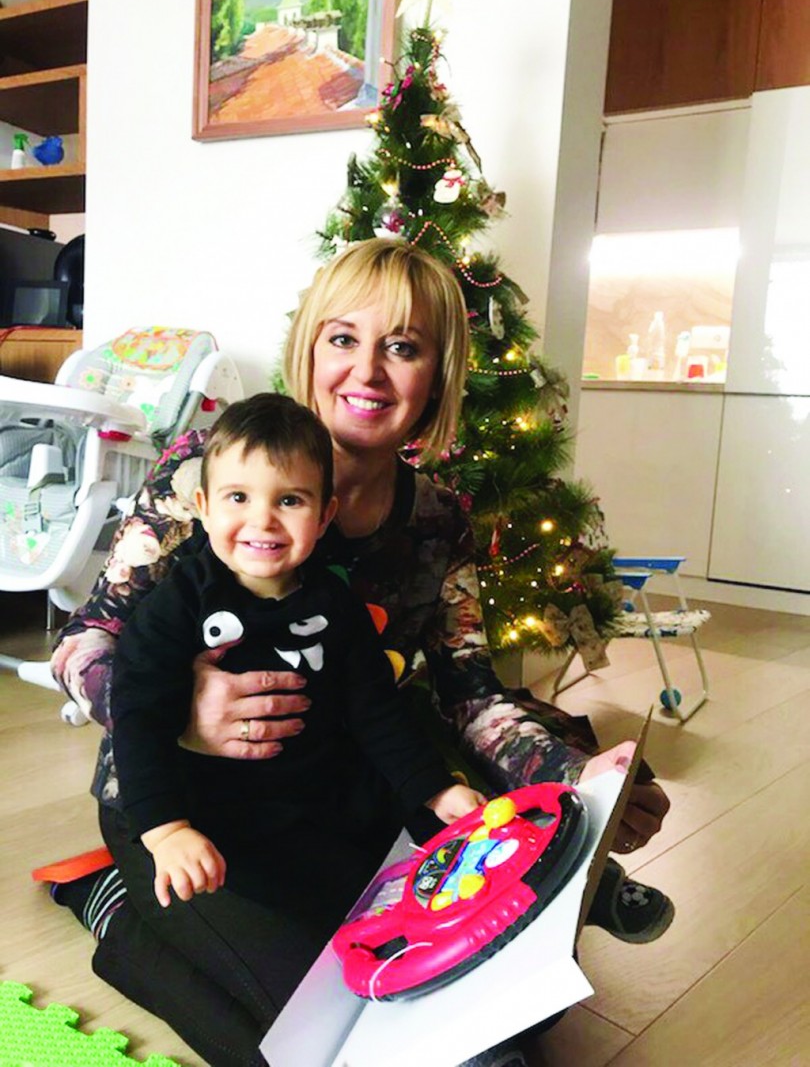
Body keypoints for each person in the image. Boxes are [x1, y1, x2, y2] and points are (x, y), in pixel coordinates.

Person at [50, 239, 672, 1067]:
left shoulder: (437, 519)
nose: (368, 371)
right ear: (309, 349)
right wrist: (183, 711)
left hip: (329, 800)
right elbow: (83, 641)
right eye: (343, 338)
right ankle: (115, 909)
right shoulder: (210, 473)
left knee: (497, 1014)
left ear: (436, 375)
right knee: (307, 1042)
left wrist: (575, 779)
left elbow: (470, 693)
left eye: (403, 346)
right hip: (175, 801)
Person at [112, 391, 483, 920]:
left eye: (289, 501)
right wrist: (166, 830)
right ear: (204, 507)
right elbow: (138, 716)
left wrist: (434, 789)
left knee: (432, 841)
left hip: (330, 790)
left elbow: (377, 710)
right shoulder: (176, 604)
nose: (262, 521)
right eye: (238, 497)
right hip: (227, 809)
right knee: (316, 912)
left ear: (325, 514)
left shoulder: (336, 603)